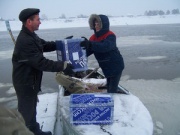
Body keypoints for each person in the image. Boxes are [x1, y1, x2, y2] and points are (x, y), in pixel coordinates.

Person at [12, 8, 74, 135]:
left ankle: (33, 129)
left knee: (30, 108)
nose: (40, 22)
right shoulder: (25, 40)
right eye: (38, 19)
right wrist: (63, 66)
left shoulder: (31, 36)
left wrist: (61, 43)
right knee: (27, 110)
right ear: (29, 21)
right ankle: (28, 131)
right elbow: (40, 62)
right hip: (25, 82)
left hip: (30, 80)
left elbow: (44, 45)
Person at [80, 14, 124, 93]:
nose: (96, 26)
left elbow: (105, 47)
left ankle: (114, 101)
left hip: (116, 67)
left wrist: (90, 44)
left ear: (103, 25)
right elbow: (86, 52)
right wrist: (74, 48)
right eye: (95, 24)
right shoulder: (93, 38)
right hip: (106, 68)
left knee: (112, 91)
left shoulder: (110, 36)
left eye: (98, 24)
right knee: (109, 85)